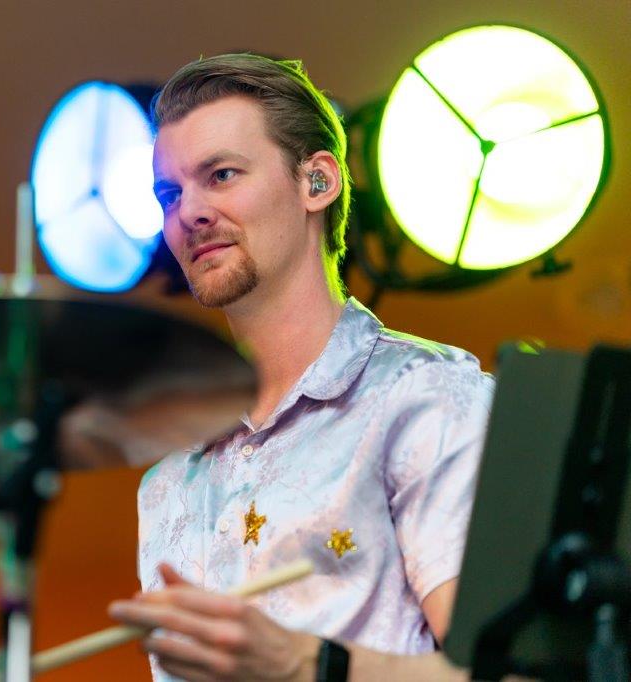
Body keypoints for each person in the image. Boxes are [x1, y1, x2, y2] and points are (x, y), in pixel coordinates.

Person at [105, 54, 496, 681]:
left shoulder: (429, 396)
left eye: (221, 175)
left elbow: (510, 673)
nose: (189, 212)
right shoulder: (169, 480)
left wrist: (301, 664)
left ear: (317, 182)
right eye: (169, 194)